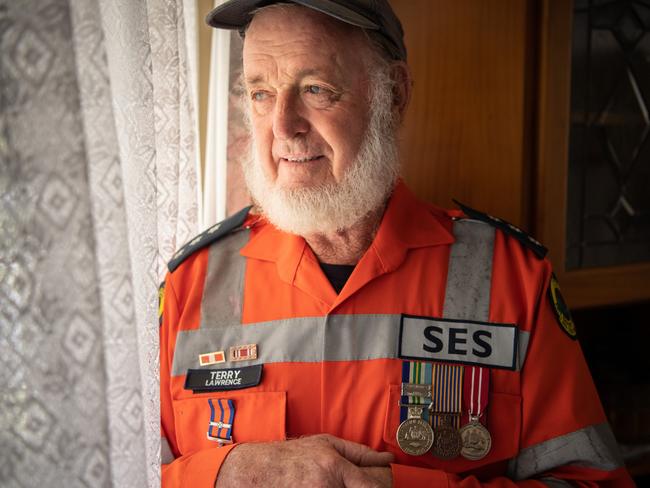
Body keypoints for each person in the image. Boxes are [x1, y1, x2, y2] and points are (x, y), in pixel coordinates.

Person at [159, 1, 634, 486]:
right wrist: (227, 473)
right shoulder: (191, 285)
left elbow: (591, 481)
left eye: (316, 89)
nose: (283, 126)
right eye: (260, 93)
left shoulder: (512, 279)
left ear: (395, 93)